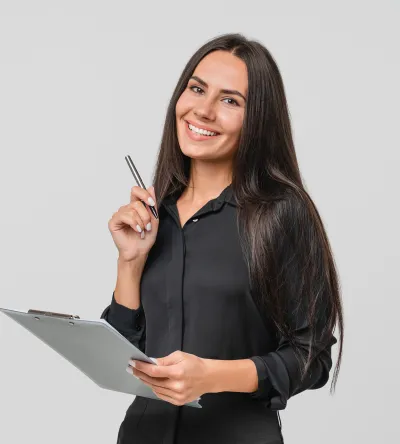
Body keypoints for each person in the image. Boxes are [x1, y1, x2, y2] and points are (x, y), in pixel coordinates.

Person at [101, 33, 344, 444]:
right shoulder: (160, 215)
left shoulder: (282, 213)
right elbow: (127, 357)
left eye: (230, 101)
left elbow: (311, 357)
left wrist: (212, 376)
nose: (204, 110)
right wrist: (130, 262)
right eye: (197, 89)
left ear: (258, 120)